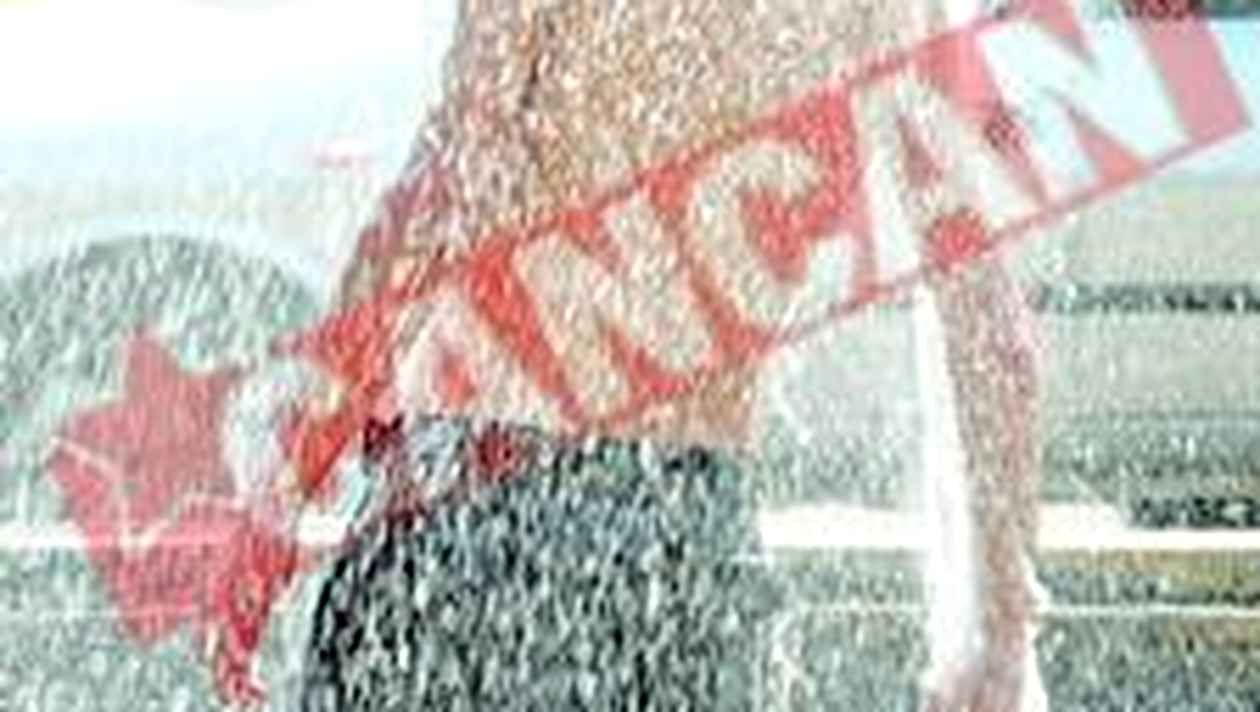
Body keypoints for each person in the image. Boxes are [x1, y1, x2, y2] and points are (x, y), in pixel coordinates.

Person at [307, 0, 1045, 709]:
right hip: (691, 542)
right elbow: (996, 337)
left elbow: (444, 195)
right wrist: (1000, 634)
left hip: (470, 510)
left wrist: (286, 478)